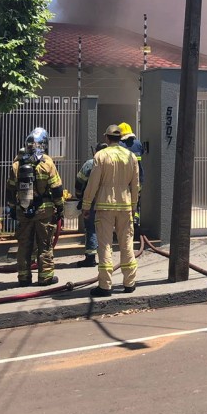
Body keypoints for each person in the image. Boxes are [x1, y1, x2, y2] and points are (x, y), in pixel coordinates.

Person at [81, 124, 139, 297]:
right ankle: (130, 283)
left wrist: (86, 205)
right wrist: (134, 205)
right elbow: (136, 185)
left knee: (105, 245)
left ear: (106, 138)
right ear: (120, 139)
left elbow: (93, 183)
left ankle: (105, 285)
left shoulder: (101, 155)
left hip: (104, 206)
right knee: (127, 243)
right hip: (125, 205)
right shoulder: (131, 156)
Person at [6, 127, 65, 287]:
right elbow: (57, 188)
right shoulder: (47, 162)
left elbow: (10, 189)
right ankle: (45, 278)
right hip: (44, 211)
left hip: (23, 210)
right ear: (44, 144)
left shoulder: (17, 164)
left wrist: (12, 208)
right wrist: (60, 208)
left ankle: (23, 278)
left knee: (24, 245)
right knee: (44, 245)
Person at [72, 142, 106, 268]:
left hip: (91, 201)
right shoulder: (111, 164)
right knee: (105, 229)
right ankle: (105, 257)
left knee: (91, 228)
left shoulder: (90, 164)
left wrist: (79, 196)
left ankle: (90, 257)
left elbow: (80, 182)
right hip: (108, 201)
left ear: (95, 152)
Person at [118, 122, 145, 231]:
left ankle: (125, 225)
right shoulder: (138, 144)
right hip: (138, 179)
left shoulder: (119, 145)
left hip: (124, 181)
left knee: (124, 203)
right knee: (136, 201)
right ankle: (135, 222)